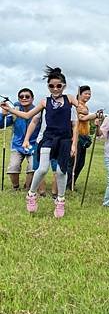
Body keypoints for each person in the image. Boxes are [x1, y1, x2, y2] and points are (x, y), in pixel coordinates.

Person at [1, 66, 78, 218]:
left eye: (58, 85)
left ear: (64, 86)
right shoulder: (44, 102)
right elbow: (28, 114)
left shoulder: (69, 99)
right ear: (48, 86)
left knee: (62, 171)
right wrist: (10, 110)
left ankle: (60, 200)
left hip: (64, 139)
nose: (55, 88)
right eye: (51, 86)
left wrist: (74, 144)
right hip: (47, 138)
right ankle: (31, 194)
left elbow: (76, 121)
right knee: (42, 169)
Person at [0, 88, 39, 191]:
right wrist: (3, 114)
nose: (24, 98)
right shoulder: (15, 111)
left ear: (32, 98)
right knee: (13, 167)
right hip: (17, 145)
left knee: (33, 167)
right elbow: (1, 124)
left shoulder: (37, 111)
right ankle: (16, 187)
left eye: (27, 96)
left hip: (33, 144)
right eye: (21, 96)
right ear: (18, 98)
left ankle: (27, 187)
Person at [67, 85, 100, 190]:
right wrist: (95, 115)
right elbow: (81, 118)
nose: (88, 95)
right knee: (73, 163)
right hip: (76, 136)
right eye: (85, 93)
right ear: (79, 94)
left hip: (84, 137)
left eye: (89, 94)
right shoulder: (76, 105)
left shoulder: (85, 107)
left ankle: (72, 183)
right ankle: (68, 184)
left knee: (80, 163)